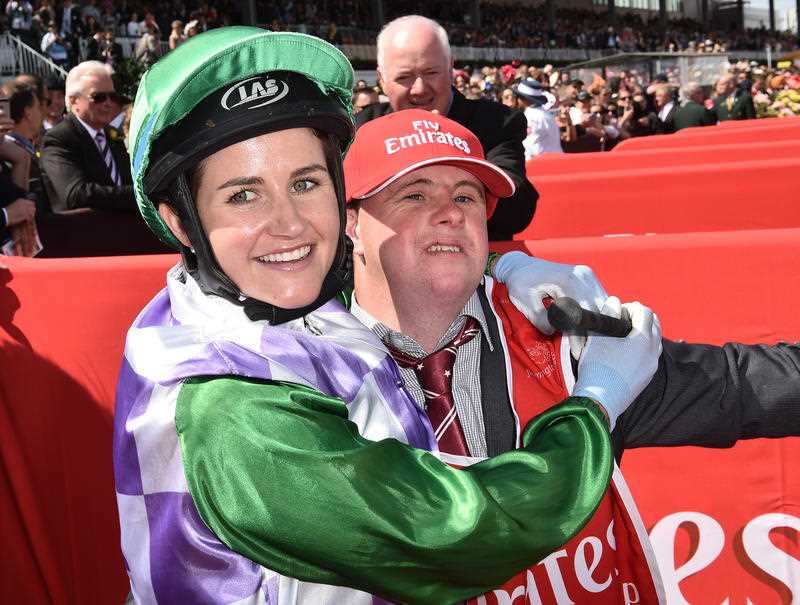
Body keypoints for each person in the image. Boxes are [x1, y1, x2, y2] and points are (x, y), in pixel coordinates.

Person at [117, 26, 655, 604]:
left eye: (306, 182)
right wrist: (597, 400)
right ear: (181, 222)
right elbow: (461, 535)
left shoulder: (235, 299)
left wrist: (500, 268)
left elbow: (387, 255)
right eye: (243, 195)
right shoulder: (232, 416)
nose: (291, 224)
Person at [344, 109, 800, 603]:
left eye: (466, 196)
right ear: (350, 223)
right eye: (414, 194)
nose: (451, 212)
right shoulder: (298, 368)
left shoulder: (563, 342)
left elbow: (742, 387)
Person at [355, 15, 538, 241]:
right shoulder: (361, 130)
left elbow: (516, 211)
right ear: (382, 79)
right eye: (404, 77)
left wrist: (444, 153)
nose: (419, 89)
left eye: (431, 73)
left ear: (450, 68)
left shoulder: (497, 122)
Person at [39, 60, 134, 212]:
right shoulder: (59, 138)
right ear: (73, 100)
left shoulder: (112, 135)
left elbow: (126, 179)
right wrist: (138, 194)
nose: (108, 103)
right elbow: (76, 195)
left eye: (112, 96)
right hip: (85, 232)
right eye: (98, 97)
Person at [512, 78, 563, 158]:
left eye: (519, 97)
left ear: (523, 98)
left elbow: (530, 147)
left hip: (541, 164)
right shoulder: (545, 113)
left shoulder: (531, 116)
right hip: (554, 159)